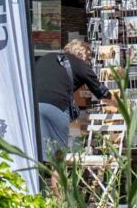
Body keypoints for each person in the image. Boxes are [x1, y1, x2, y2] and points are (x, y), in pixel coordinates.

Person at [31, 35, 109, 163]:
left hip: (33, 105)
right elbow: (102, 93)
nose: (88, 62)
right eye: (88, 59)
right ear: (82, 55)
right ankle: (57, 183)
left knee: (38, 150)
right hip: (57, 106)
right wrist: (119, 104)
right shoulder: (80, 64)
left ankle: (37, 182)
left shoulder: (45, 58)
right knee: (58, 156)